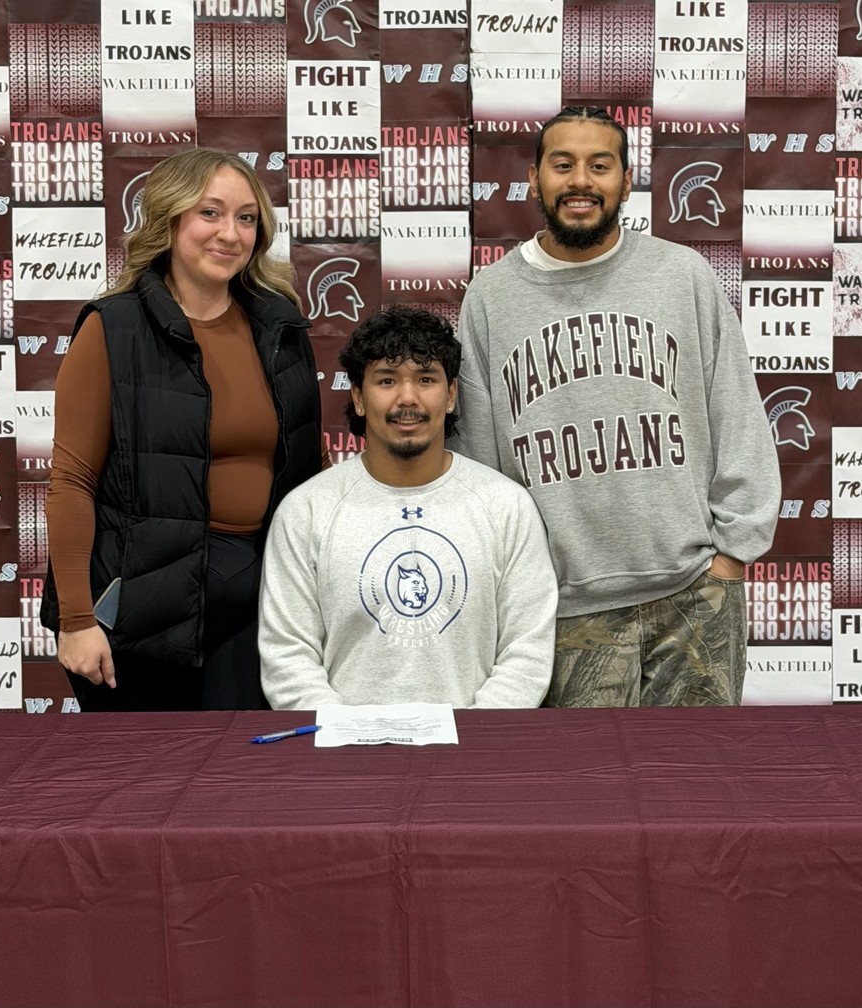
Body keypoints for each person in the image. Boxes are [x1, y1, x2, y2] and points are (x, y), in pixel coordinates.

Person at [454, 106, 781, 708]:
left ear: (626, 181)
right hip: (563, 606)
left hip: (694, 596)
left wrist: (733, 556)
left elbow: (737, 415)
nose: (581, 180)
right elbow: (475, 453)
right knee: (584, 793)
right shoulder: (491, 297)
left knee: (696, 782)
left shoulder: (682, 276)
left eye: (599, 165)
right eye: (563, 164)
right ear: (534, 178)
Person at [41, 147, 325, 711]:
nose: (230, 233)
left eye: (247, 218)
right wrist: (76, 620)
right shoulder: (112, 328)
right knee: (144, 789)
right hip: (139, 616)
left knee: (241, 784)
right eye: (210, 213)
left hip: (255, 603)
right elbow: (71, 482)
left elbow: (305, 479)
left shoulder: (280, 326)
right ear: (170, 219)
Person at [257, 306, 556, 710]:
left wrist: (474, 737)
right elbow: (287, 656)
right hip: (344, 756)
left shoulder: (507, 507)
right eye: (386, 380)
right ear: (359, 398)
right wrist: (348, 737)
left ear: (450, 395)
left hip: (472, 753)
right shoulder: (306, 512)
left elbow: (527, 652)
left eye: (426, 379)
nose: (407, 398)